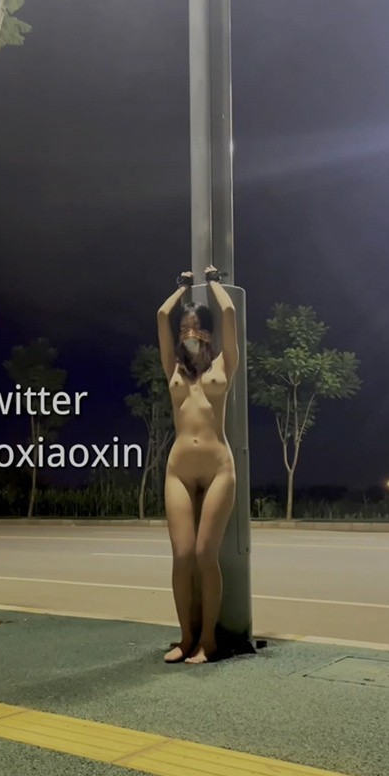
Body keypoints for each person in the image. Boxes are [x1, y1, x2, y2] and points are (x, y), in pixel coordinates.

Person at [157, 265, 239, 664]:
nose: (189, 332)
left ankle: (209, 639)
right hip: (179, 469)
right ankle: (185, 637)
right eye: (185, 328)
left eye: (196, 327)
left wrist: (214, 284)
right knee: (183, 557)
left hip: (218, 467)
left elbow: (229, 313)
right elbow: (161, 315)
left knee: (206, 555)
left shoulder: (224, 364)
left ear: (207, 331)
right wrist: (183, 288)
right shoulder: (173, 367)